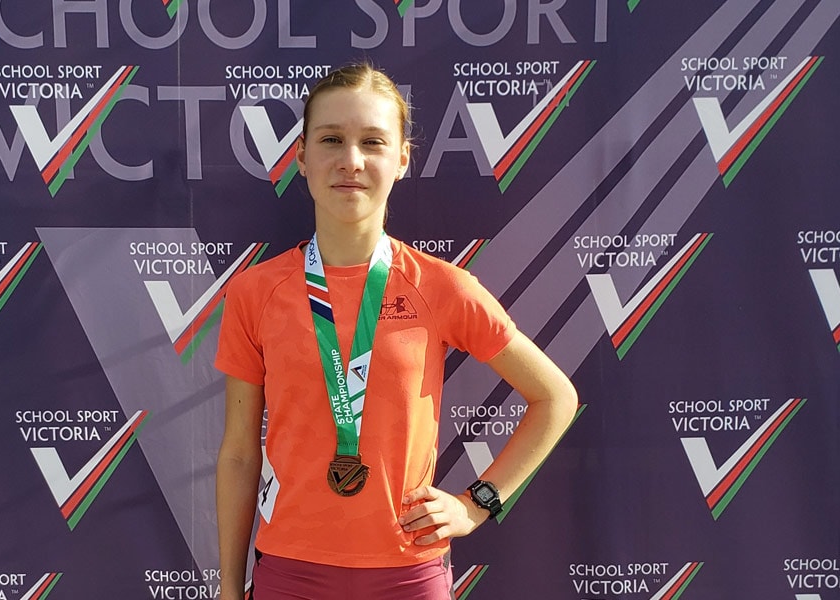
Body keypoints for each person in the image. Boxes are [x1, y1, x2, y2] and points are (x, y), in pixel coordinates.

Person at [214, 62, 578, 600]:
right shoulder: (254, 292)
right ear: (302, 157)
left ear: (402, 159)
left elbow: (555, 398)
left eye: (373, 142)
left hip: (408, 574)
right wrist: (228, 586)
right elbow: (241, 454)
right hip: (290, 573)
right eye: (331, 139)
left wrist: (477, 504)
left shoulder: (441, 286)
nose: (351, 160)